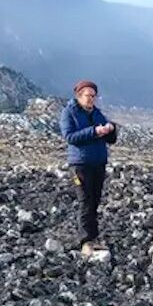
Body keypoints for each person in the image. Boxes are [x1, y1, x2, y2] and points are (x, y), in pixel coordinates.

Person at [59, 80, 118, 250]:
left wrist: (111, 129)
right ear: (79, 96)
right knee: (85, 200)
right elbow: (70, 137)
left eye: (93, 96)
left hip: (98, 163)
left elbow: (111, 140)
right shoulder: (69, 113)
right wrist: (94, 131)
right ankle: (85, 241)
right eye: (88, 96)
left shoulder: (97, 114)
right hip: (81, 164)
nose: (91, 99)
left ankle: (93, 237)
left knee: (95, 201)